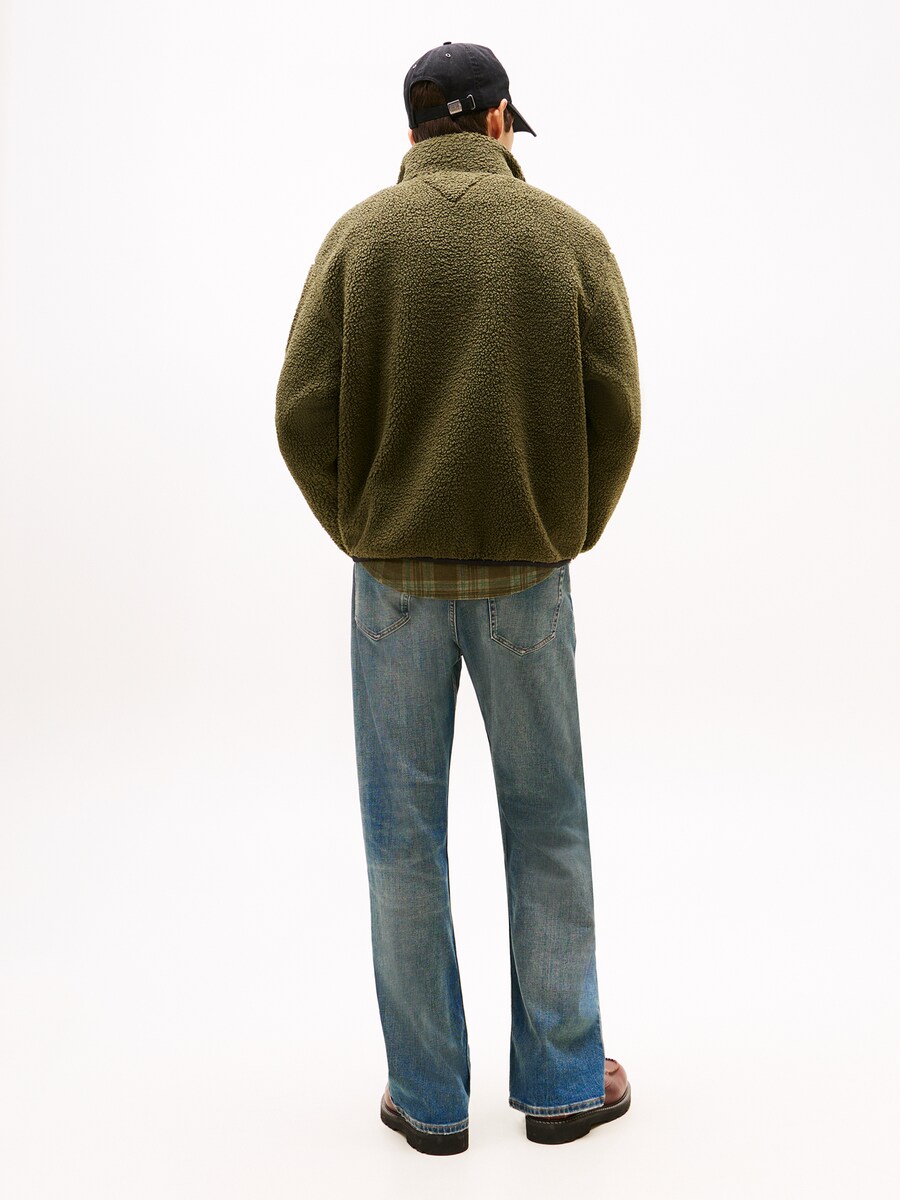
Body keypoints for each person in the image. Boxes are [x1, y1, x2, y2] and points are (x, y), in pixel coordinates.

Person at [274, 40, 641, 1155]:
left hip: (394, 587)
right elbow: (618, 409)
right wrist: (566, 527)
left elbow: (299, 411)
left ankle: (428, 1100)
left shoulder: (358, 240)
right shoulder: (566, 238)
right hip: (527, 580)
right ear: (493, 125)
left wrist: (365, 526)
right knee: (549, 826)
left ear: (413, 129)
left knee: (402, 839)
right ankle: (565, 1084)